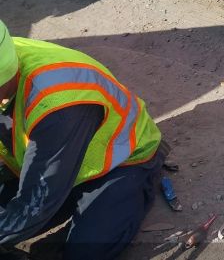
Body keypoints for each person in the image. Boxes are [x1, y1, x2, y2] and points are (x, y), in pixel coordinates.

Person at [0, 20, 163, 259]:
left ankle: (138, 188)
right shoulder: (6, 52)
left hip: (119, 161)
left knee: (86, 250)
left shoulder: (56, 104)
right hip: (51, 156)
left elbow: (37, 200)